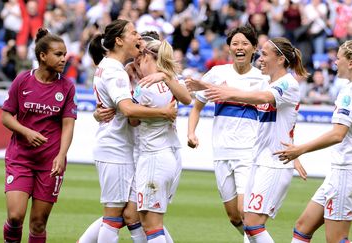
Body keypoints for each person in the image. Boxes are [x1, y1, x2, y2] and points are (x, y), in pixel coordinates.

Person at [186, 37, 308, 242]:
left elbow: (258, 98)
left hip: (274, 163)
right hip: (260, 159)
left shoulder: (287, 84)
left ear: (280, 59)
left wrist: (218, 90)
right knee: (247, 222)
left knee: (251, 222)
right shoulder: (272, 83)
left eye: (265, 54)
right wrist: (208, 86)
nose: (260, 58)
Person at [274, 40, 352, 243]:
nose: (335, 62)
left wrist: (299, 149)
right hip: (349, 169)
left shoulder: (351, 92)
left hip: (348, 170)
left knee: (336, 240)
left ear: (351, 62)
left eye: (338, 58)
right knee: (302, 228)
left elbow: (337, 134)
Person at [85, 19, 176, 243]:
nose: (138, 37)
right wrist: (163, 112)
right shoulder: (115, 71)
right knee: (115, 216)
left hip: (130, 148)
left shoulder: (112, 68)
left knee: (131, 214)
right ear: (119, 40)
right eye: (134, 33)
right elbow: (126, 109)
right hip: (116, 147)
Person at [186, 25, 269, 242]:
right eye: (235, 43)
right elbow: (197, 106)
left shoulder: (262, 79)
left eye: (244, 43)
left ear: (254, 48)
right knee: (234, 217)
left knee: (245, 211)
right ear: (229, 48)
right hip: (221, 151)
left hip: (248, 152)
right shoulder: (216, 73)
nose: (239, 47)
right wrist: (191, 133)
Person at [1, 28, 77, 243]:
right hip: (20, 159)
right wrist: (26, 132)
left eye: (65, 54)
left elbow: (68, 125)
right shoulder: (23, 81)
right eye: (58, 54)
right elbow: (6, 117)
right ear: (43, 56)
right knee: (15, 216)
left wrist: (61, 155)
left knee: (38, 223)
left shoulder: (67, 87)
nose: (64, 58)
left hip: (49, 163)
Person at [132, 39, 192, 242]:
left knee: (151, 224)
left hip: (153, 157)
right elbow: (187, 99)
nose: (138, 62)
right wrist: (166, 76)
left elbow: (132, 119)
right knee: (150, 221)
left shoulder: (144, 85)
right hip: (170, 155)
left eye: (140, 58)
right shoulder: (174, 80)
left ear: (147, 57)